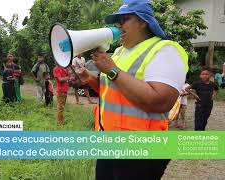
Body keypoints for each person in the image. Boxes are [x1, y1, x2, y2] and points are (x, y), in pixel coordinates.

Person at [76, 0, 188, 179]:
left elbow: (160, 101)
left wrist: (112, 70)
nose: (118, 25)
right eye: (116, 21)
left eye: (124, 19)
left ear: (143, 21)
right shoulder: (120, 52)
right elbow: (115, 90)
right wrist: (90, 78)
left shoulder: (165, 51)